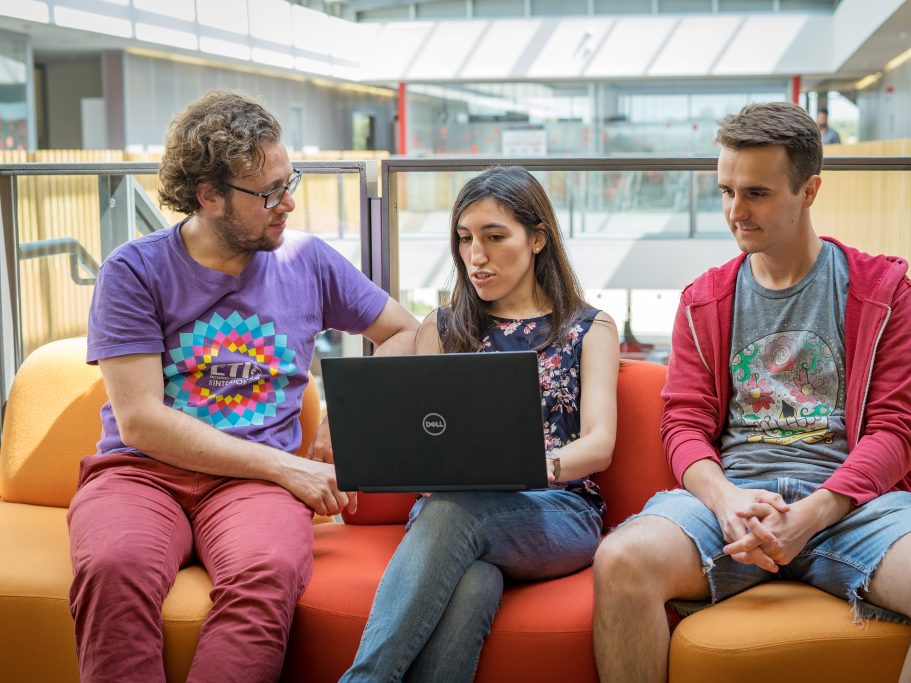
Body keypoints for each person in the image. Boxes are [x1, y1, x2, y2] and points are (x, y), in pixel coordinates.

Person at [592, 101, 911, 682]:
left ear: (809, 191)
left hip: (850, 504)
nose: (734, 211)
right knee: (621, 560)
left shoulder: (882, 291)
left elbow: (895, 428)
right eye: (725, 190)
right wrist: (724, 499)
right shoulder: (703, 300)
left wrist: (813, 512)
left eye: (756, 193)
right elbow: (682, 424)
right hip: (735, 502)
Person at [68, 90, 419, 682]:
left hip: (254, 487)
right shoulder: (133, 271)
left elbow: (407, 331)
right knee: (113, 567)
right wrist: (288, 468)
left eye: (291, 179)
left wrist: (340, 419)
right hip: (141, 472)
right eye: (268, 193)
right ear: (208, 196)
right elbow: (142, 422)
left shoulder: (307, 261)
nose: (289, 202)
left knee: (267, 573)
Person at [339, 166, 620, 683]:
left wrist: (533, 465)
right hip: (450, 514)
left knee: (453, 512)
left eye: (494, 237)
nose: (476, 256)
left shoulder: (588, 327)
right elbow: (423, 437)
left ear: (538, 239)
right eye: (465, 239)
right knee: (473, 582)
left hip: (559, 511)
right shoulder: (442, 328)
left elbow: (599, 445)